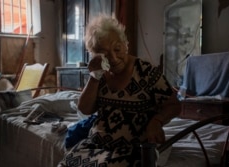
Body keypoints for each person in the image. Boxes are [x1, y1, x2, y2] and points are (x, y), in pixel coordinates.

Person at [58, 14, 181, 167]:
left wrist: (156, 121)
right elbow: (85, 109)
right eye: (105, 54)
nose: (114, 58)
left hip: (131, 149)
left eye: (117, 49)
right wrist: (94, 77)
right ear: (96, 55)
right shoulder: (100, 74)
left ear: (126, 44)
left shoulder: (146, 71)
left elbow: (174, 105)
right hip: (95, 145)